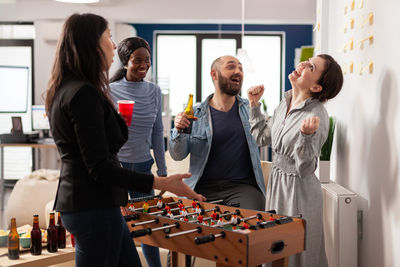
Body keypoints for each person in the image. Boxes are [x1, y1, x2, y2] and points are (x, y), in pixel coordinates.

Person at [44, 13, 204, 267]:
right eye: (108, 37)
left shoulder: (70, 88)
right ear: (91, 44)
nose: (114, 45)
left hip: (92, 204)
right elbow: (100, 167)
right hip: (92, 207)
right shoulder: (84, 93)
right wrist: (162, 181)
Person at [247, 54, 343, 267]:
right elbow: (263, 137)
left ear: (317, 87)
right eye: (307, 60)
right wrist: (254, 106)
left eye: (310, 66)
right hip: (277, 186)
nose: (301, 64)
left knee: (296, 255)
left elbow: (306, 167)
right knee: (273, 248)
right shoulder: (285, 102)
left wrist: (307, 137)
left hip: (298, 192)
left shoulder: (318, 115)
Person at [169, 55, 266, 211]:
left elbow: (264, 138)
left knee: (254, 222)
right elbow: (177, 155)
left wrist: (255, 105)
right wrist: (178, 130)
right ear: (214, 74)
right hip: (201, 188)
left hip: (242, 188)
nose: (238, 71)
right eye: (231, 67)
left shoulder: (250, 109)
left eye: (241, 68)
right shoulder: (194, 113)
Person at [109, 37, 165, 267]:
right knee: (119, 225)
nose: (143, 65)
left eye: (147, 60)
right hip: (117, 168)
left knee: (147, 226)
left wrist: (162, 170)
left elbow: (157, 132)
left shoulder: (154, 91)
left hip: (143, 167)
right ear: (125, 61)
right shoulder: (108, 89)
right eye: (137, 60)